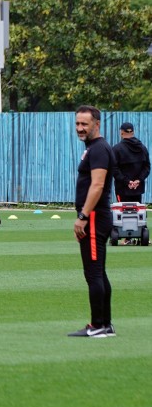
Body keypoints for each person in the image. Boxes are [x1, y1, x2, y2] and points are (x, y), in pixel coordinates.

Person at [69, 105, 116, 338]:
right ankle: (105, 324)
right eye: (77, 123)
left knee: (94, 273)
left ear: (96, 124)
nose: (80, 128)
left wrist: (83, 216)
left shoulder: (98, 149)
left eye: (84, 124)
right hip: (95, 216)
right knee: (98, 272)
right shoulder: (94, 148)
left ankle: (98, 326)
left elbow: (97, 185)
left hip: (95, 217)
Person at [111, 121, 149, 203]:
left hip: (122, 189)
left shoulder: (116, 149)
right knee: (136, 210)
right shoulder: (143, 148)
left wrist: (127, 181)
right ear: (133, 132)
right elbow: (147, 167)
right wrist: (138, 180)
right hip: (137, 188)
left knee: (122, 210)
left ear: (121, 132)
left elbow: (113, 169)